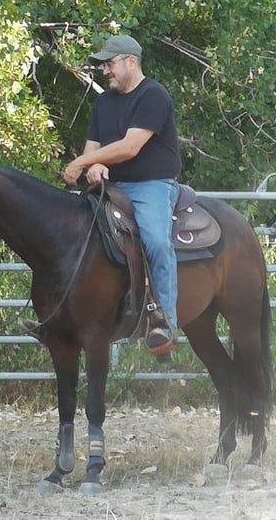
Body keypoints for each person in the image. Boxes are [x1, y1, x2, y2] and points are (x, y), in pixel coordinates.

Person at [62, 34, 182, 358]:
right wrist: (93, 166)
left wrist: (84, 162)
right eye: (104, 65)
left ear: (131, 61)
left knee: (156, 241)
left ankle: (165, 321)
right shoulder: (104, 102)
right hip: (111, 187)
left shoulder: (153, 96)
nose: (105, 70)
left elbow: (130, 147)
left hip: (152, 185)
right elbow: (93, 148)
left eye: (110, 63)